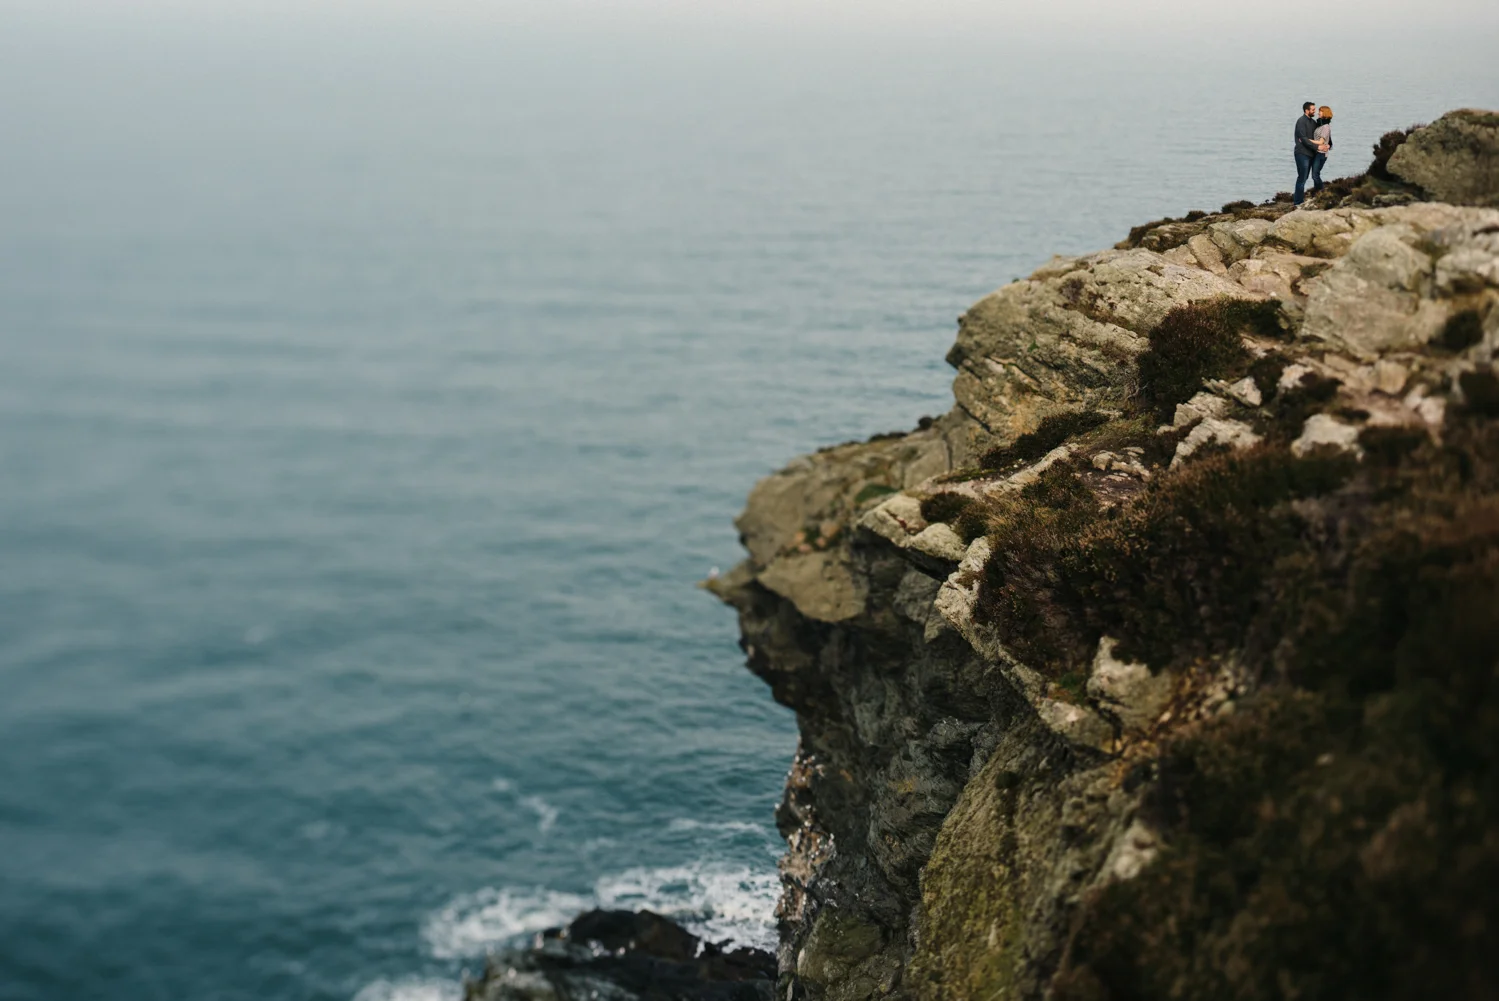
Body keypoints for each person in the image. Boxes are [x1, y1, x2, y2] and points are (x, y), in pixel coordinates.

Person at [1293, 101, 1322, 205]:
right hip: (1302, 154)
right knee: (1302, 178)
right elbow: (1303, 139)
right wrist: (1317, 146)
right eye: (1313, 109)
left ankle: (1319, 197)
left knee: (1314, 176)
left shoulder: (1313, 122)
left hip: (1311, 154)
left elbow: (1319, 135)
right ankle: (1297, 203)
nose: (1314, 111)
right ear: (1307, 110)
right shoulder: (1301, 121)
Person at [1310, 106, 1334, 194]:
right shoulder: (1321, 124)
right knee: (1316, 175)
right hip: (1317, 152)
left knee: (1315, 175)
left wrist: (1307, 141)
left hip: (1321, 154)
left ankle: (1322, 191)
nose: (1318, 113)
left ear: (1325, 113)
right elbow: (1329, 140)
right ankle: (1317, 192)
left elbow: (1321, 141)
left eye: (1320, 111)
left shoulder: (1325, 127)